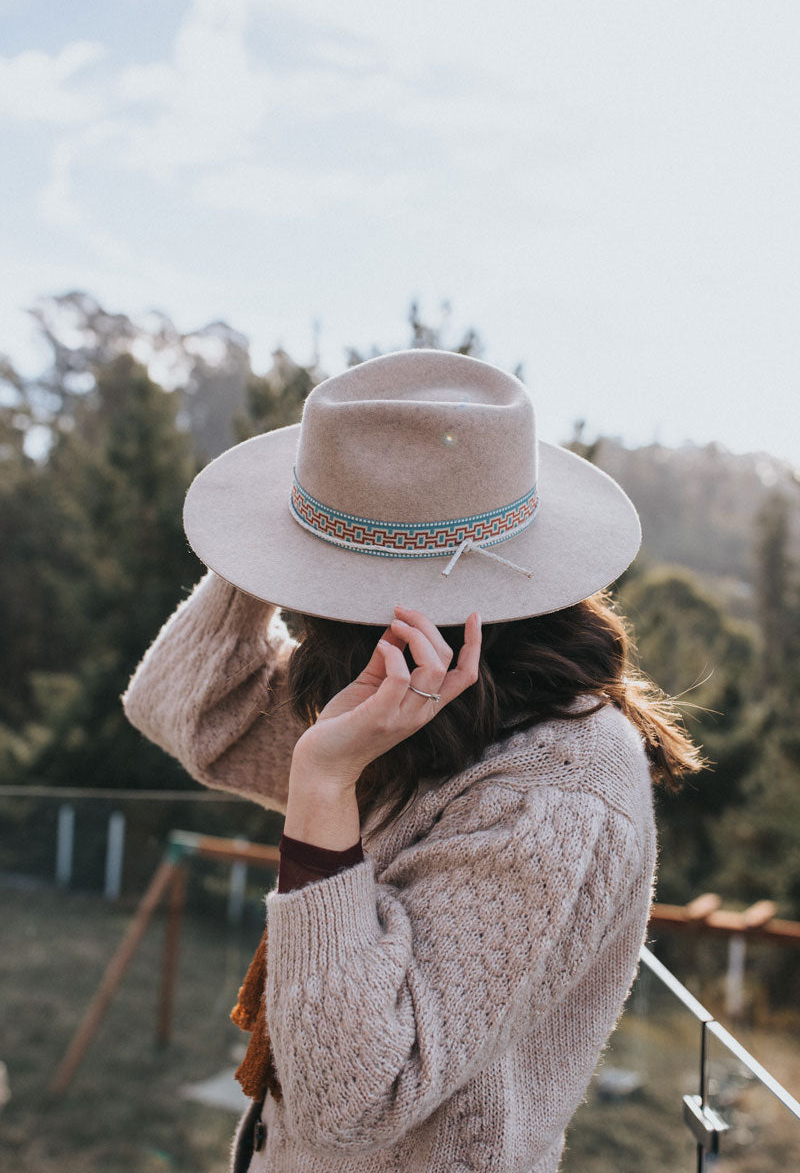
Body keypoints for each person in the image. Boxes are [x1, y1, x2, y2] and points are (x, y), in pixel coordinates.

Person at [122, 349, 700, 1173]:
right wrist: (279, 535)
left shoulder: (556, 791)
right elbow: (187, 710)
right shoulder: (410, 700)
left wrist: (323, 785)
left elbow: (353, 1102)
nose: (301, 601)